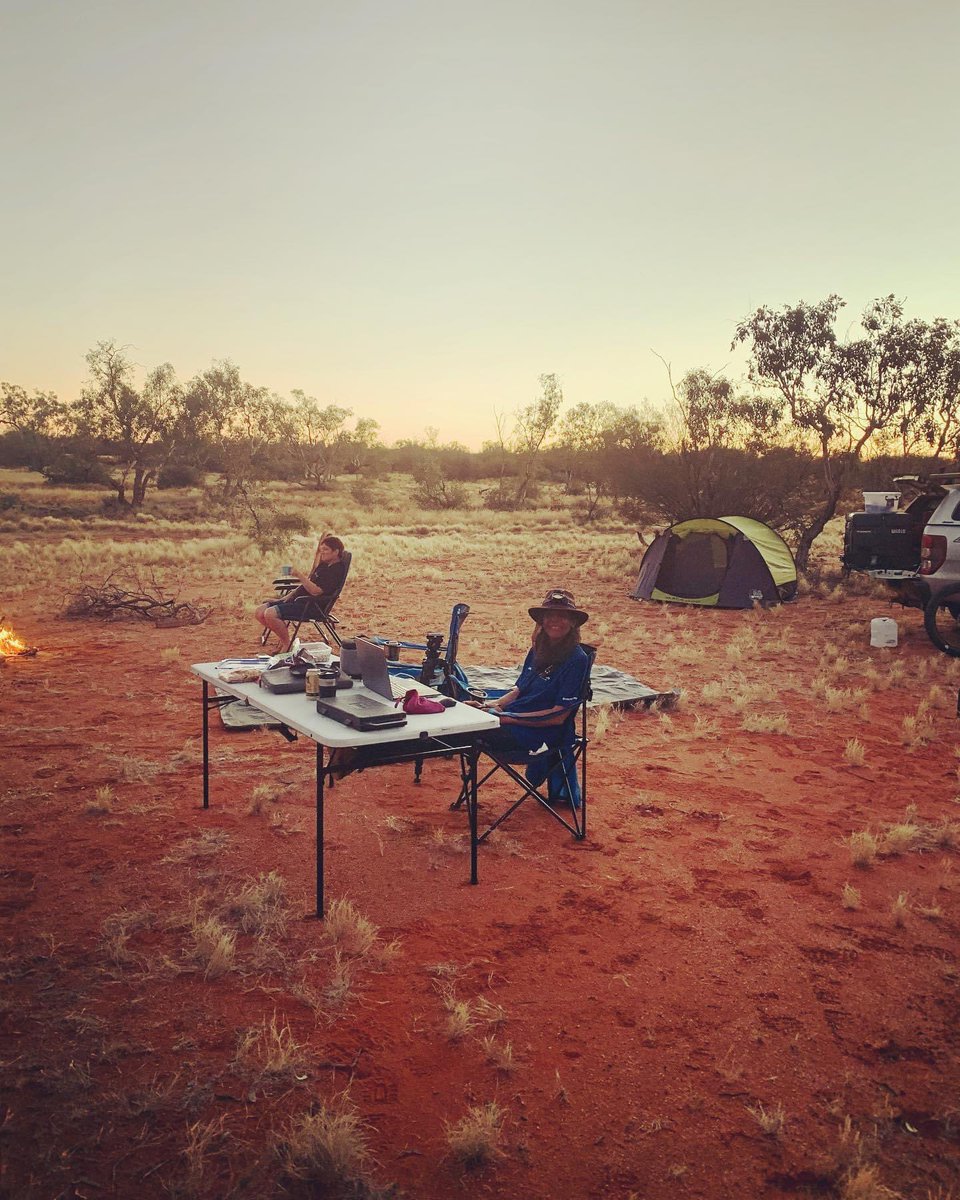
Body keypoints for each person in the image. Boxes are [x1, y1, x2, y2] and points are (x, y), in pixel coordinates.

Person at [471, 589, 591, 801]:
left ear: (573, 622)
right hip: (514, 721)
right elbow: (519, 689)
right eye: (550, 615)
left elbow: (558, 716)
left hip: (543, 733)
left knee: (470, 731)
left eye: (562, 616)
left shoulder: (576, 660)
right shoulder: (538, 648)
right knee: (466, 713)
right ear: (542, 620)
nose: (555, 621)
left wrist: (508, 718)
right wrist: (494, 705)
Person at [255, 535, 347, 652]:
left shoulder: (336, 570)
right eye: (321, 549)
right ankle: (285, 640)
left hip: (311, 605)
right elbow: (307, 583)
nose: (322, 552)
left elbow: (316, 591)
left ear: (336, 552)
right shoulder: (324, 564)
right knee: (259, 612)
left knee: (270, 614)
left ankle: (286, 644)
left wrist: (299, 575)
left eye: (326, 549)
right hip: (299, 600)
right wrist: (285, 598)